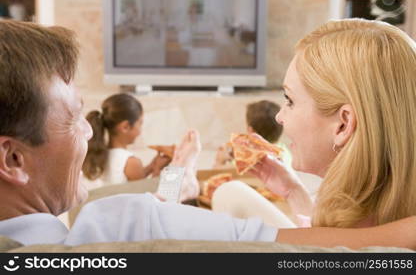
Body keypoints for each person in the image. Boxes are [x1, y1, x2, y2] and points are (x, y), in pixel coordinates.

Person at [0, 20, 415, 250]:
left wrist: (178, 176)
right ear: (13, 160)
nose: (91, 129)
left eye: (290, 100)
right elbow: (157, 218)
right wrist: (178, 177)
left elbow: (161, 215)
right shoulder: (121, 222)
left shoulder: (97, 226)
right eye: (73, 118)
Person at [216, 18, 416, 230]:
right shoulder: (382, 219)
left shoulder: (349, 233)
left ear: (343, 124)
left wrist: (178, 177)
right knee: (231, 193)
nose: (279, 117)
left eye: (290, 101)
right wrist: (294, 192)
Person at [82, 93, 170, 187]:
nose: (140, 131)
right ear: (125, 127)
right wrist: (157, 169)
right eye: (140, 123)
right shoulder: (131, 162)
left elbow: (129, 181)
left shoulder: (100, 155)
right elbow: (147, 197)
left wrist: (151, 166)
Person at [214, 100, 291, 168]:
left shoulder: (245, 158)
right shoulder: (286, 153)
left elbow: (216, 179)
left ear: (250, 130)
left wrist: (220, 161)